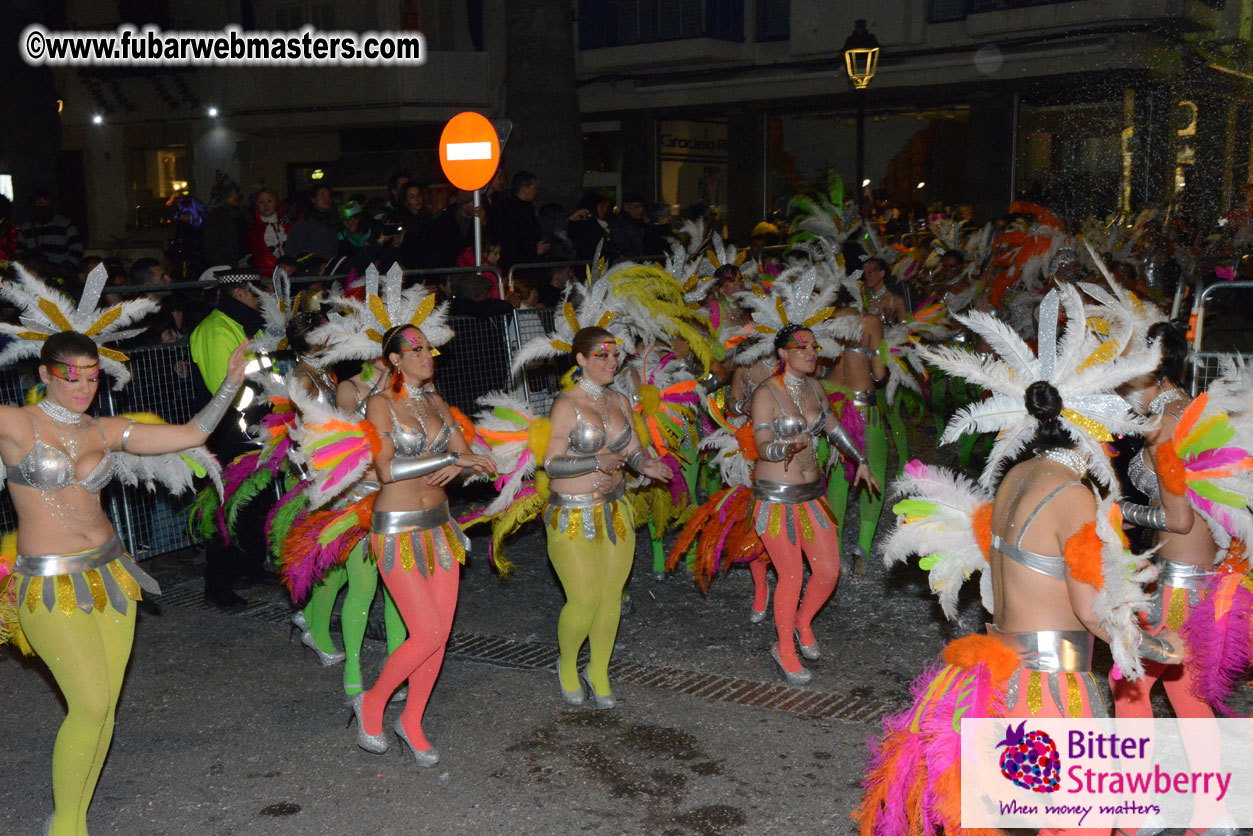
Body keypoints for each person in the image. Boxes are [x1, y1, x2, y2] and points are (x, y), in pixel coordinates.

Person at [859, 287, 1181, 836]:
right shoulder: (1073, 495)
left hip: (994, 678)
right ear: (1092, 430)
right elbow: (1091, 611)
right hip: (1050, 690)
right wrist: (1154, 645)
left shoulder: (1014, 477)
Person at [0, 268, 248, 836]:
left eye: (91, 375)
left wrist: (231, 384)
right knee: (87, 707)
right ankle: (66, 826)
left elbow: (190, 433)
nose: (82, 386)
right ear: (45, 373)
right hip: (47, 583)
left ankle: (74, 817)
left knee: (104, 711)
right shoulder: (17, 425)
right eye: (70, 375)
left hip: (112, 575)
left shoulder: (104, 430)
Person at [350, 323, 495, 765]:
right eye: (414, 349)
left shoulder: (437, 402)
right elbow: (386, 470)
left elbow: (470, 462)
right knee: (426, 630)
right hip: (397, 529)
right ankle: (372, 703)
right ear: (394, 360)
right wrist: (454, 458)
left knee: (440, 635)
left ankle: (411, 720)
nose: (425, 354)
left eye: (427, 347)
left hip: (441, 526)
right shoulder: (379, 404)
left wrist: (470, 465)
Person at [541, 326, 672, 708]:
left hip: (615, 509)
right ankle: (567, 665)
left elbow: (630, 448)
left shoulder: (619, 399)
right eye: (602, 355)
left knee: (611, 597)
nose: (612, 361)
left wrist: (644, 464)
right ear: (581, 360)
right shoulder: (566, 404)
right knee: (582, 600)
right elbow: (550, 463)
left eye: (615, 355)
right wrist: (594, 460)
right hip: (571, 515)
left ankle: (598, 671)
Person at [750, 325, 877, 683]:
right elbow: (760, 443)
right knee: (790, 575)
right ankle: (784, 649)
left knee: (827, 571)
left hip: (812, 496)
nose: (811, 352)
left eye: (814, 346)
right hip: (775, 497)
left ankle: (802, 623)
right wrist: (782, 448)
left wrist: (860, 460)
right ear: (782, 354)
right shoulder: (767, 392)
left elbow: (834, 429)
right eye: (801, 347)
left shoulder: (814, 387)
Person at [189, 269, 268, 608]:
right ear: (239, 295)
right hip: (224, 434)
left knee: (256, 501)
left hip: (252, 427)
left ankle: (248, 565)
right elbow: (225, 387)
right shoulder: (215, 329)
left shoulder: (247, 326)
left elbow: (267, 369)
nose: (260, 300)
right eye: (255, 294)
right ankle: (217, 585)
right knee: (223, 508)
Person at [16, 189, 84, 280]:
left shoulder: (65, 224)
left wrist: (66, 267)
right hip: (35, 276)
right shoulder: (26, 228)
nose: (43, 207)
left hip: (60, 274)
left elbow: (77, 248)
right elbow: (20, 253)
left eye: (45, 204)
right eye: (39, 204)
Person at [245, 187, 289, 278]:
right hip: (266, 277)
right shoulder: (255, 232)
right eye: (261, 202)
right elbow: (257, 259)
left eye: (269, 201)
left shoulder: (288, 226)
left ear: (276, 203)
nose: (265, 205)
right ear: (257, 206)